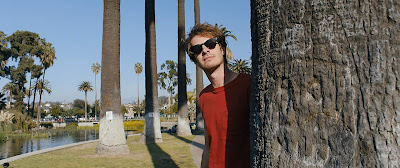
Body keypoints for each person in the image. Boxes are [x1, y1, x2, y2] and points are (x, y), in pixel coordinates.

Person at [185, 23, 251, 168]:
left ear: (222, 49)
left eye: (210, 44)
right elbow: (208, 146)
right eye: (197, 49)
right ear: (195, 60)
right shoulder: (204, 97)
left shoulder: (248, 84)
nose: (204, 50)